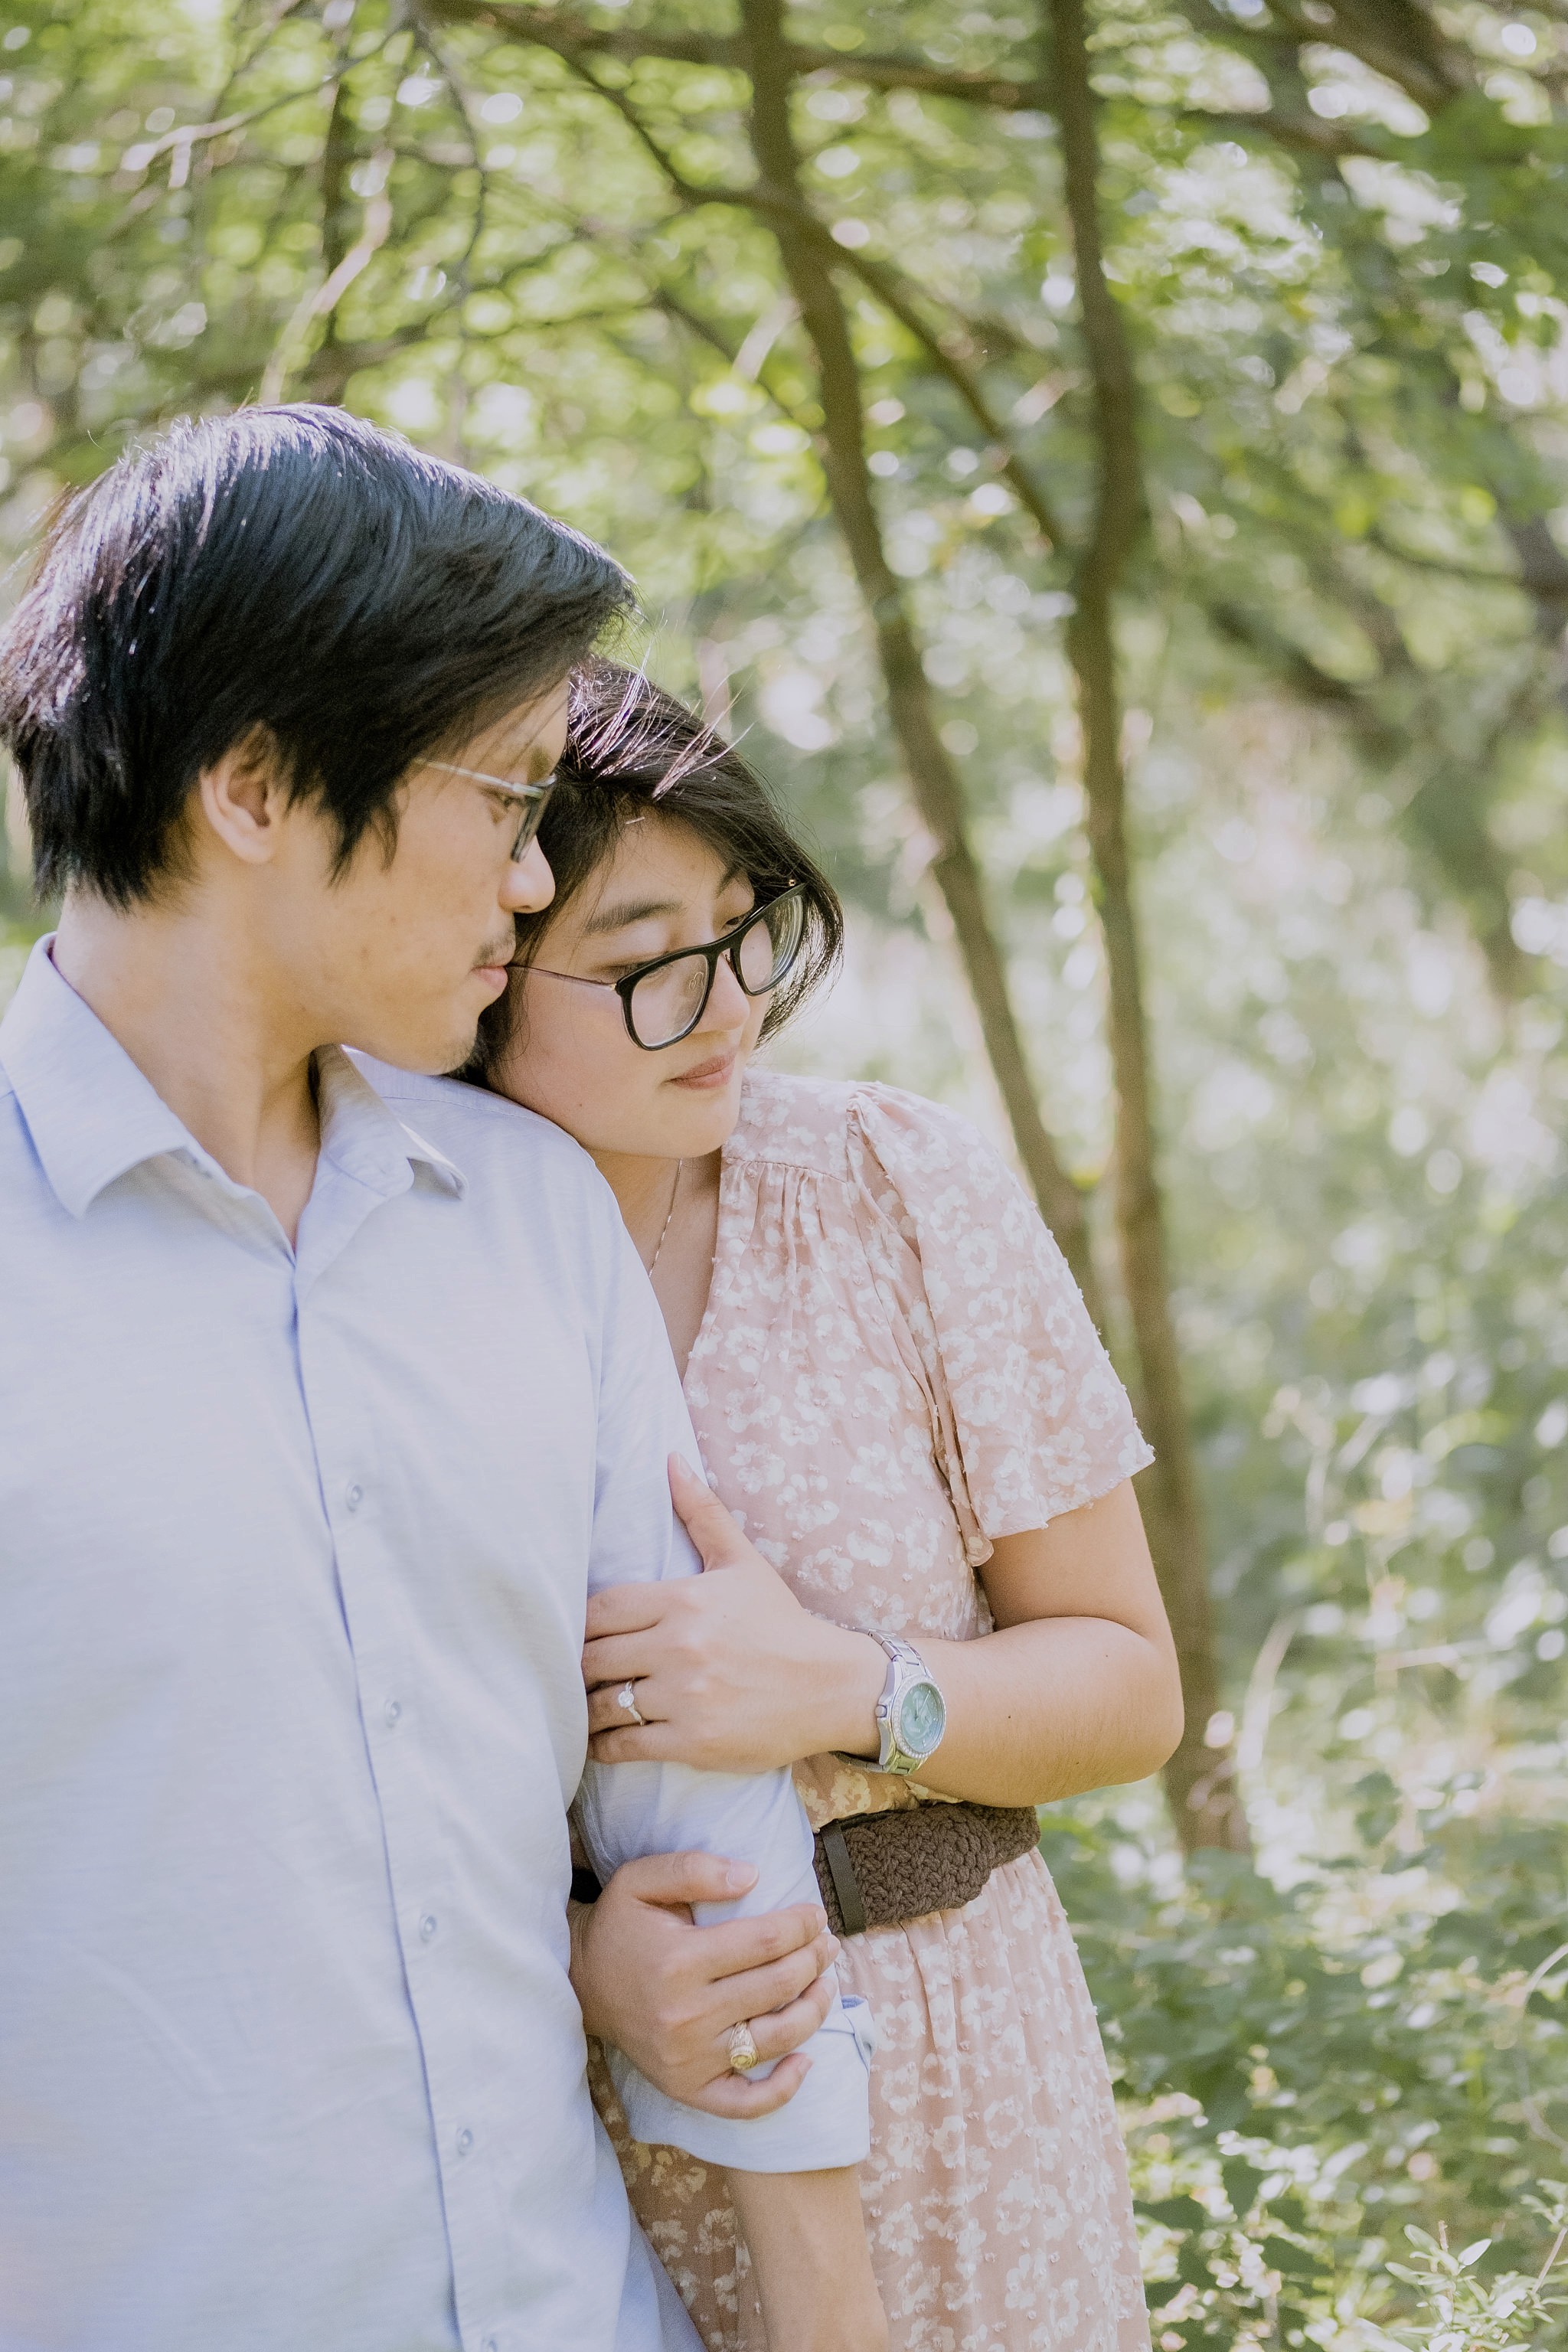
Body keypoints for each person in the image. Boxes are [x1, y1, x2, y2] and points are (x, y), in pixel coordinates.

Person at [0, 408, 887, 2352]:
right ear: (250, 782)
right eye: (504, 801)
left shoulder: (528, 1222)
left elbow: (701, 1831)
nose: (526, 881)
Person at [469, 661, 1186, 2352]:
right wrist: (584, 1960)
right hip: (571, 2113)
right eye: (644, 960)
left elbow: (1129, 1683)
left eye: (745, 927)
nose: (723, 1003)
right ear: (482, 963)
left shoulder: (891, 1184)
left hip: (967, 2073)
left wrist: (856, 1685)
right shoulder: (401, 1265)